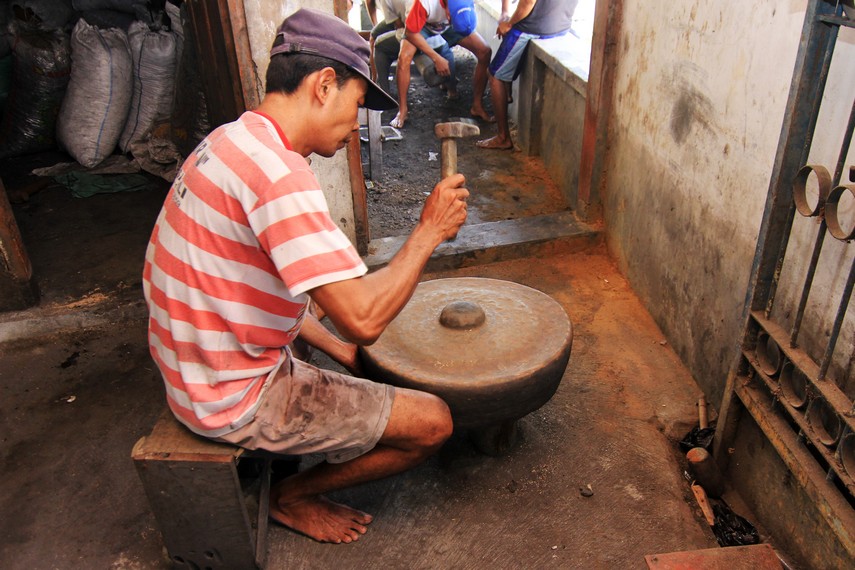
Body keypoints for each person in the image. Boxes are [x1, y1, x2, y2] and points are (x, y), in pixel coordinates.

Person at [142, 8, 469, 544]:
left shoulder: (231, 139)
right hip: (228, 395)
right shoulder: (280, 177)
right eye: (357, 104)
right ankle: (291, 498)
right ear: (323, 86)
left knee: (325, 299)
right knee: (433, 422)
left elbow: (257, 283)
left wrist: (339, 351)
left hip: (189, 363)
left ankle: (320, 382)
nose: (355, 124)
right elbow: (363, 320)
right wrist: (428, 231)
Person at [476, 0, 576, 150]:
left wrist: (508, 24)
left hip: (532, 27)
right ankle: (507, 93)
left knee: (494, 74)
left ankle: (503, 137)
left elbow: (528, 2)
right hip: (561, 26)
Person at [392, 0, 492, 128]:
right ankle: (402, 110)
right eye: (450, 15)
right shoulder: (425, 3)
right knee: (404, 57)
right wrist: (436, 58)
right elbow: (410, 32)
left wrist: (505, 16)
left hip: (451, 27)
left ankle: (477, 106)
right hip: (424, 26)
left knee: (485, 51)